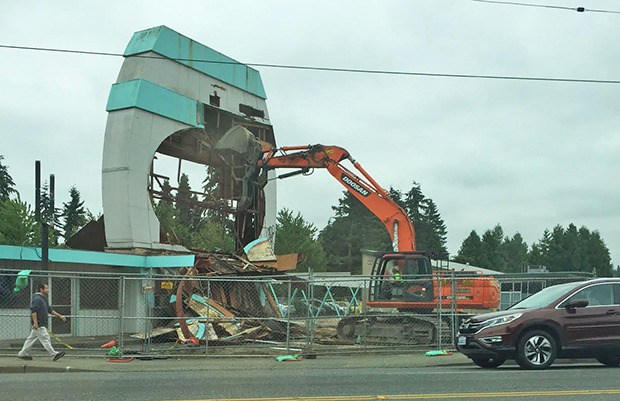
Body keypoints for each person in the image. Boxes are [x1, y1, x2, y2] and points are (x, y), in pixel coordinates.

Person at [17, 282, 67, 361]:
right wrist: (35, 323)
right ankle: (54, 354)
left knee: (31, 339)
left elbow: (50, 310)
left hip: (40, 324)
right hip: (39, 324)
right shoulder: (37, 299)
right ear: (41, 289)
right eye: (46, 288)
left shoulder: (43, 298)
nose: (48, 290)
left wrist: (60, 316)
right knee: (45, 338)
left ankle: (22, 353)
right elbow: (34, 311)